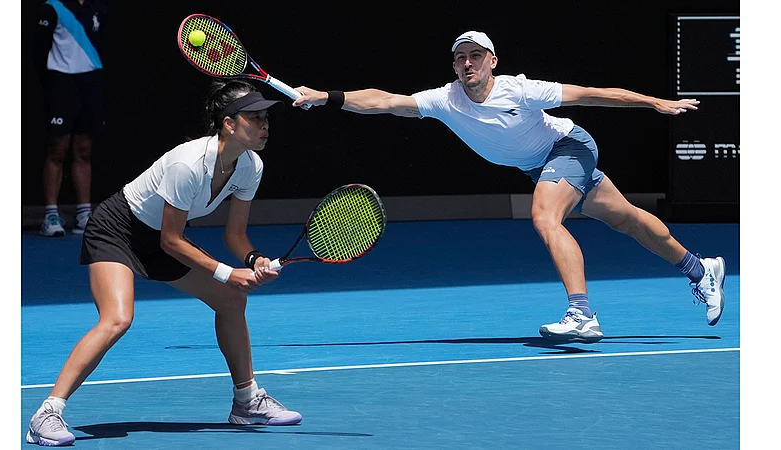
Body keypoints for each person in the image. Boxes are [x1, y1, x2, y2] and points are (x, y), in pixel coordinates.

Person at [291, 31, 725, 343]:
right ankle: (699, 268)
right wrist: (326, 97)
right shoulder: (445, 99)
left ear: (492, 61)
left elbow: (590, 93)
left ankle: (582, 314)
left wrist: (652, 102)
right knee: (627, 220)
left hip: (568, 146)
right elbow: (384, 101)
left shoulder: (521, 89)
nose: (467, 64)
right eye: (460, 57)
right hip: (539, 165)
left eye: (476, 56)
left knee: (544, 216)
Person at [25, 80, 302, 447]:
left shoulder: (250, 166)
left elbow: (234, 236)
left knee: (232, 300)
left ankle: (247, 401)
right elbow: (171, 240)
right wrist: (227, 272)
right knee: (118, 319)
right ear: (229, 124)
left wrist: (254, 260)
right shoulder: (189, 164)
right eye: (254, 117)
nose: (265, 125)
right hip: (118, 231)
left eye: (266, 117)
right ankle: (47, 413)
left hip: (160, 240)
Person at [33, 0, 107, 236]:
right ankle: (51, 215)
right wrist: (53, 85)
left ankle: (84, 214)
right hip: (61, 84)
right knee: (58, 148)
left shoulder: (98, 8)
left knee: (84, 149)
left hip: (90, 84)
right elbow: (39, 52)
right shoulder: (52, 7)